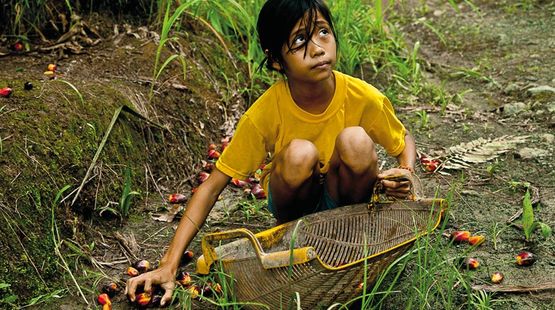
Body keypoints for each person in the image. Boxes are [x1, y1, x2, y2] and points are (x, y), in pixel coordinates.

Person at [126, 0, 416, 306]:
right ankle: (298, 240)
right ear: (276, 60)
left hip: (345, 204)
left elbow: (402, 139)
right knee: (299, 153)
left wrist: (405, 171)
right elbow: (212, 187)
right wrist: (169, 264)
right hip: (295, 211)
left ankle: (351, 235)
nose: (318, 48)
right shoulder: (264, 113)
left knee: (356, 140)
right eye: (300, 40)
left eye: (323, 32)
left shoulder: (362, 96)